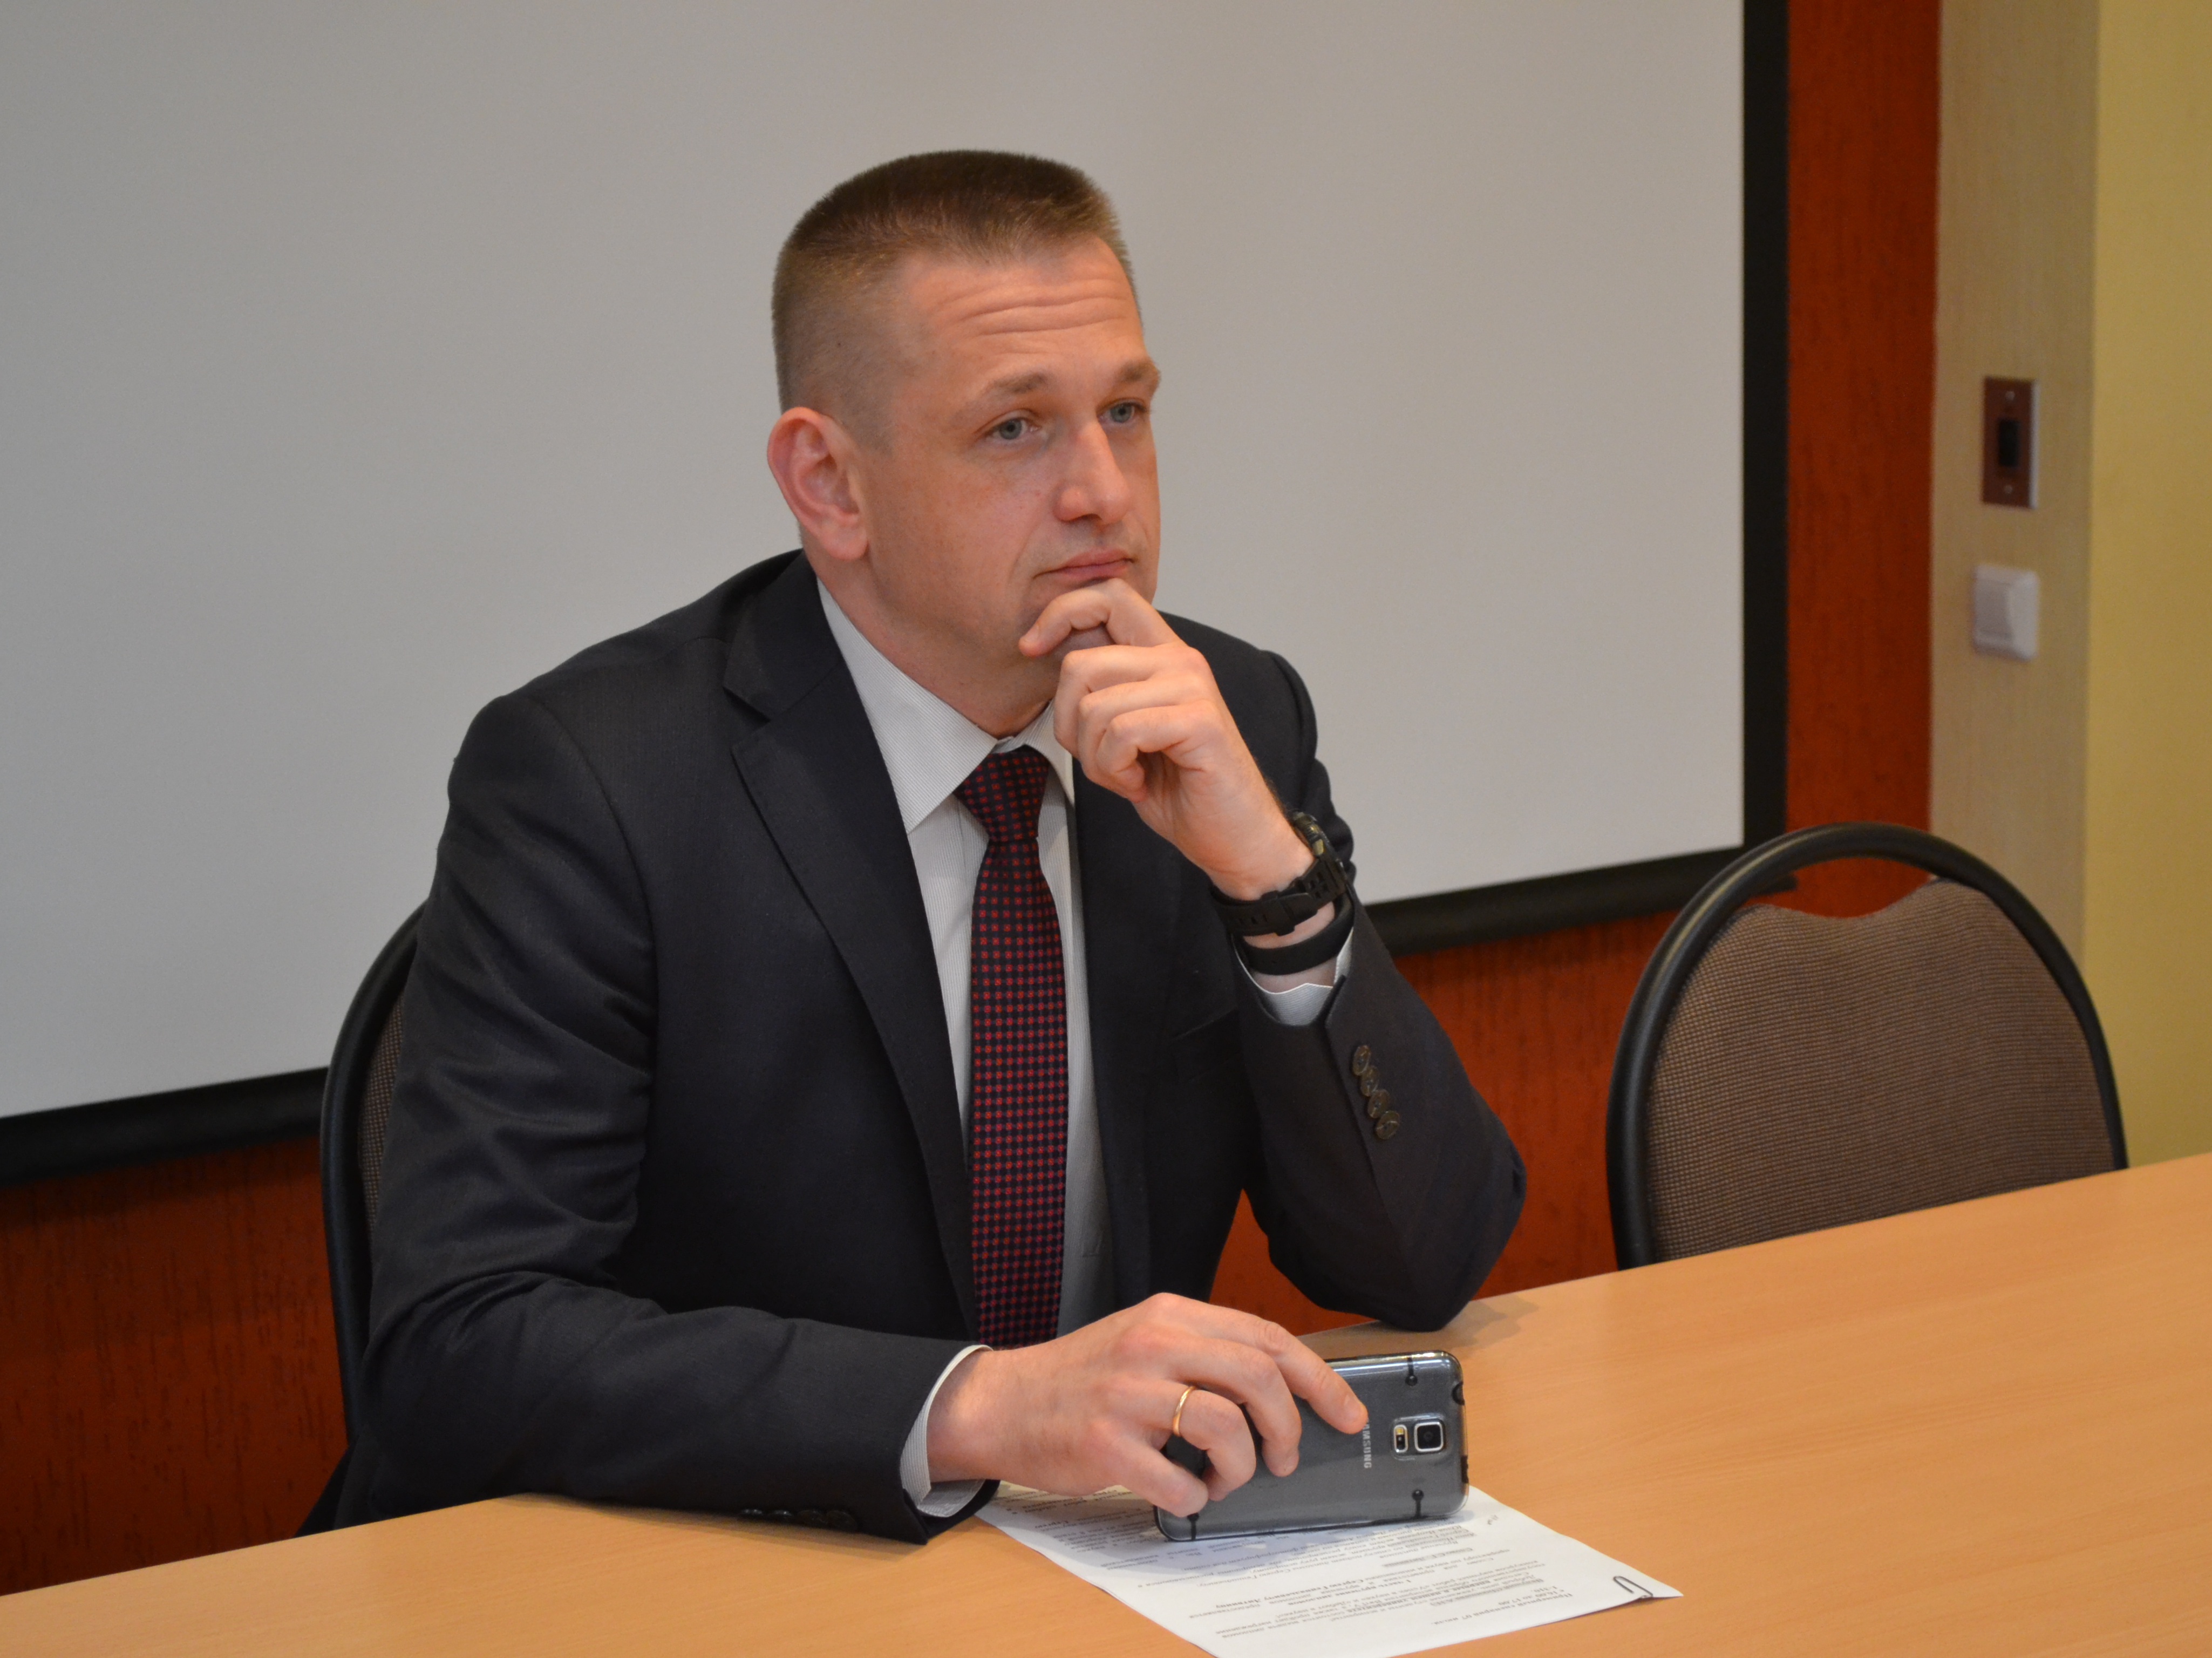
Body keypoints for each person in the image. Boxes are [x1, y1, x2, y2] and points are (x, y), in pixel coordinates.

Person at [338, 151, 1524, 1541]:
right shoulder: (595, 778)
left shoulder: (1226, 714)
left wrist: (1273, 880)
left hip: (1097, 1566)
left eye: (1125, 412)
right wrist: (980, 1407)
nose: (1103, 492)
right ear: (829, 483)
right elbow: (461, 1342)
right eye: (1015, 428)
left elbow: (1421, 1260)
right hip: (725, 1563)